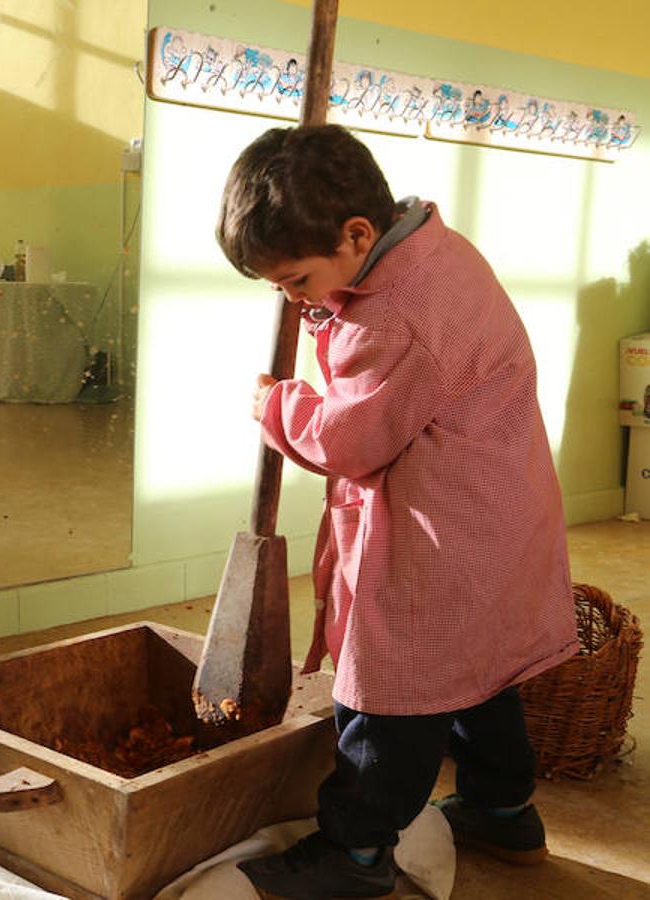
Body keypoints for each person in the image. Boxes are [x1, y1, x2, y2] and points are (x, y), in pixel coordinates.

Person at [214, 125, 577, 899]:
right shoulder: (439, 252)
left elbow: (352, 440)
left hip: (442, 532)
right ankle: (503, 809)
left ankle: (357, 851)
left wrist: (278, 407)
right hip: (500, 512)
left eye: (296, 279)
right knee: (480, 671)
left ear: (358, 234)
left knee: (388, 692)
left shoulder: (395, 317)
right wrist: (323, 307)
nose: (294, 297)